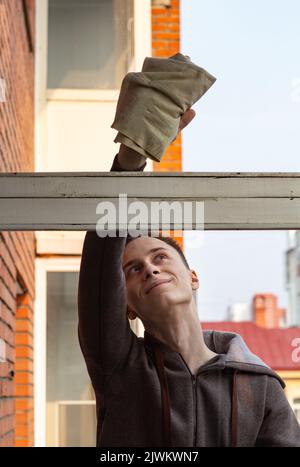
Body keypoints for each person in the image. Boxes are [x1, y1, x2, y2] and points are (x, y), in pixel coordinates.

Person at [77, 108, 300, 447]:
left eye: (160, 257)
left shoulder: (259, 384)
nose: (150, 269)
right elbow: (98, 277)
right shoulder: (120, 366)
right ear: (127, 307)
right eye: (133, 270)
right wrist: (133, 154)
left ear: (193, 277)